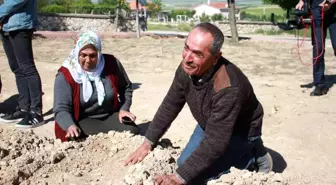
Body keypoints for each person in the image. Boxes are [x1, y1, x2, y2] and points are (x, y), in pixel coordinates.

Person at [124, 23, 272, 185]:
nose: (187, 58)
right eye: (186, 48)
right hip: (211, 124)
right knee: (184, 165)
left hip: (240, 131)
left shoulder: (228, 88)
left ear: (216, 57)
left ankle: (252, 155)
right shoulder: (187, 69)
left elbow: (215, 143)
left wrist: (178, 178)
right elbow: (171, 104)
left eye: (197, 54)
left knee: (196, 177)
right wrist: (148, 142)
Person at [53, 31, 140, 142]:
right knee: (76, 138)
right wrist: (69, 126)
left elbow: (126, 87)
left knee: (132, 130)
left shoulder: (111, 63)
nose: (88, 60)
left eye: (93, 55)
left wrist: (124, 109)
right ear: (76, 53)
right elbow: (61, 108)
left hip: (109, 116)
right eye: (83, 55)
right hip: (81, 120)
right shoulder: (66, 74)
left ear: (98, 53)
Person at [0, 0, 44, 128]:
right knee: (17, 69)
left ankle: (36, 112)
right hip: (6, 25)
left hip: (20, 25)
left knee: (27, 68)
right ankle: (24, 108)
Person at [297, 0, 336, 96]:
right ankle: (320, 84)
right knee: (318, 48)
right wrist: (302, 1)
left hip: (334, 14)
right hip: (317, 12)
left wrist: (330, 2)